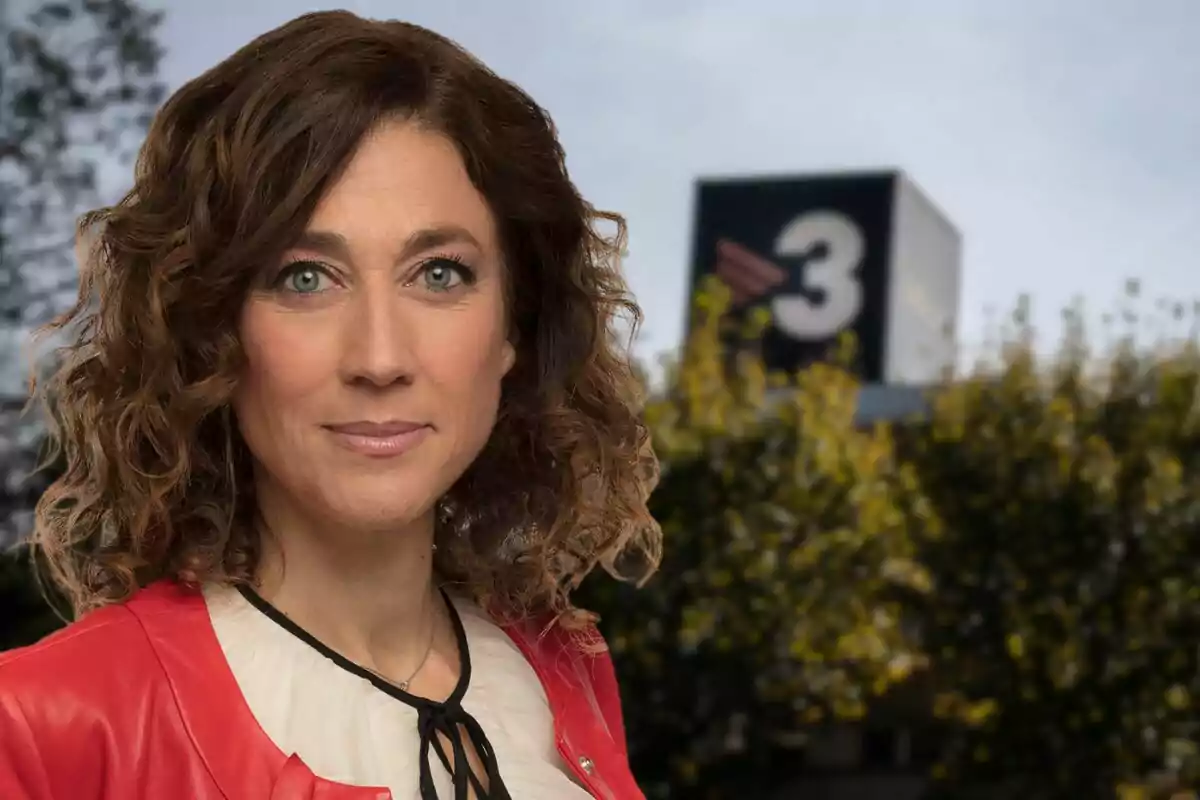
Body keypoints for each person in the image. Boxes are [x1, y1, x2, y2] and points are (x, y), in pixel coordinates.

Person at [0, 10, 661, 800]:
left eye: (440, 274)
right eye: (305, 277)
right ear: (215, 331)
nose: (379, 358)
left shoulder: (568, 670)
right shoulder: (43, 725)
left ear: (513, 330)